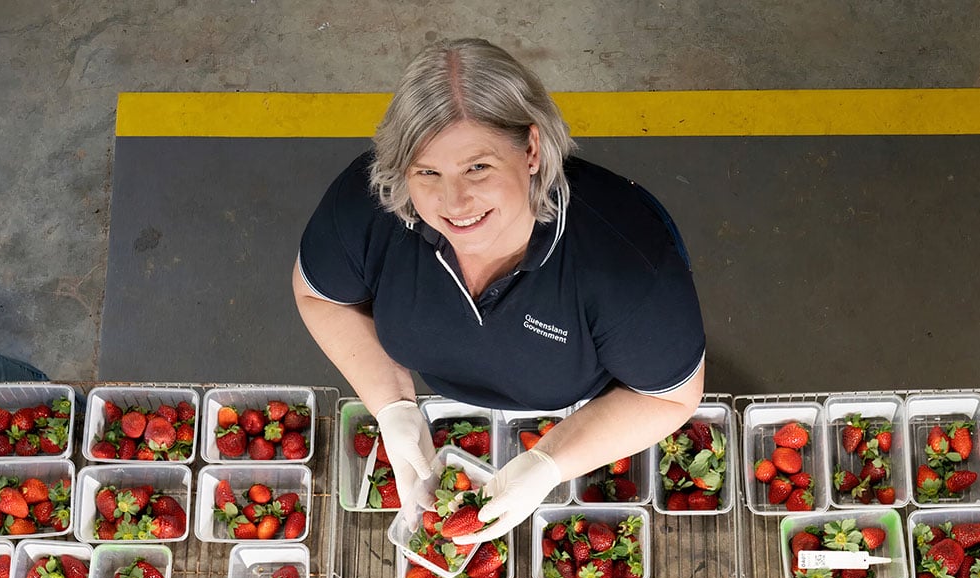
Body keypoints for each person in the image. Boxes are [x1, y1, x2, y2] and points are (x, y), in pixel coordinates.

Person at [293, 38, 705, 542]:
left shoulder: (626, 265)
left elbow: (668, 398)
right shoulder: (369, 210)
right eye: (427, 172)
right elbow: (319, 295)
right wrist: (393, 405)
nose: (454, 202)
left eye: (477, 167)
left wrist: (550, 462)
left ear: (531, 150)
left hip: (580, 408)